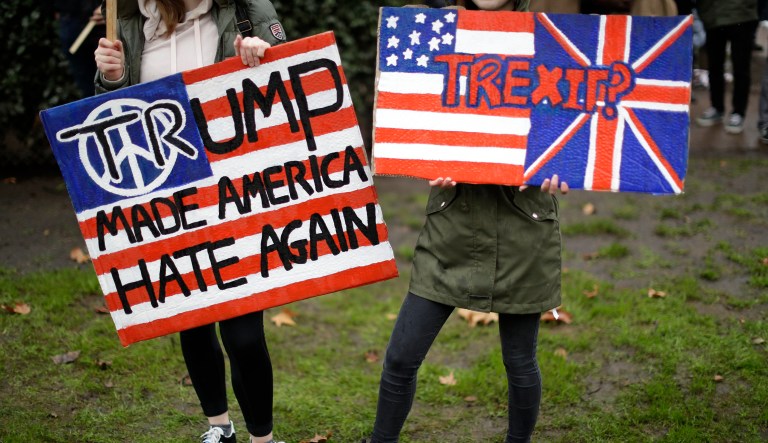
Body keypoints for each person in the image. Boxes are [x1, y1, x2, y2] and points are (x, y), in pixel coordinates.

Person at [366, 2, 569, 442]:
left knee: (520, 363)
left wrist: (564, 163)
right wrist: (427, 156)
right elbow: (413, 111)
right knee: (401, 358)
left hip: (523, 230)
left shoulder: (548, 35)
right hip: (452, 228)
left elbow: (569, 117)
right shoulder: (438, 32)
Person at [93, 1, 286, 442]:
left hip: (235, 196)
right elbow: (109, 120)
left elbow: (287, 90)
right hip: (169, 204)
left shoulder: (245, 8)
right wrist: (112, 78)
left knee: (243, 336)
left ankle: (263, 438)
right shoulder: (125, 22)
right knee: (193, 323)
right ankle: (219, 427)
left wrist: (261, 58)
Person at [695, 0, 758, 134]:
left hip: (741, 15)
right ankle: (717, 107)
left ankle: (738, 112)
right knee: (714, 66)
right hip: (712, 16)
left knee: (741, 67)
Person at [51, 0, 106, 98]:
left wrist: (111, 6)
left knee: (114, 80)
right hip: (71, 24)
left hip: (103, 24)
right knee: (89, 90)